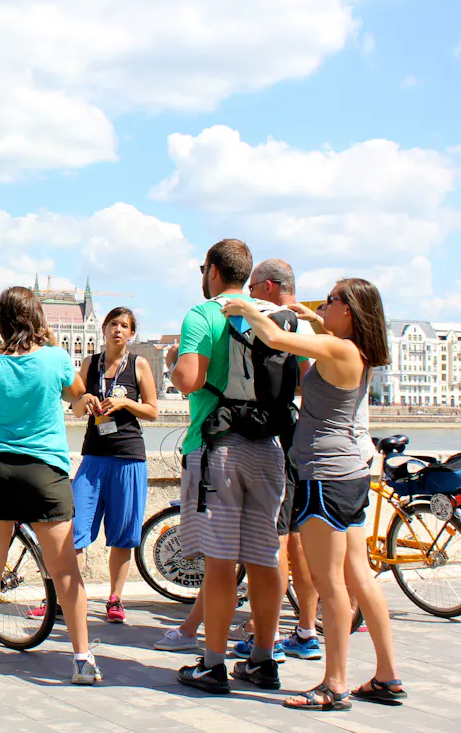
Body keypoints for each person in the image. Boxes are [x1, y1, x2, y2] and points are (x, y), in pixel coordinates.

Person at [224, 278, 404, 710]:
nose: (324, 304)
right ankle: (387, 675)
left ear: (350, 310)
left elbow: (274, 338)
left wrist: (246, 308)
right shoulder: (356, 350)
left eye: (331, 300)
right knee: (359, 576)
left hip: (325, 477)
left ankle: (334, 684)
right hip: (350, 475)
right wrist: (313, 318)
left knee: (330, 584)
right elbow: (322, 339)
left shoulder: (339, 350)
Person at [0, 286, 99, 685]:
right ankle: (82, 660)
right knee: (65, 569)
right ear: (38, 318)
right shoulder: (56, 359)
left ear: (1, 322)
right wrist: (53, 346)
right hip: (46, 472)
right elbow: (78, 398)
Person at [170, 239, 288, 695]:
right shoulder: (273, 314)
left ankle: (213, 664)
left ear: (214, 271)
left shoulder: (203, 315)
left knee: (220, 563)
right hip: (267, 446)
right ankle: (263, 660)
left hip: (217, 444)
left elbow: (189, 378)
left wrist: (175, 366)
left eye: (204, 268)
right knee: (263, 558)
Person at [232, 259, 322, 662]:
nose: (250, 294)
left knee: (276, 539)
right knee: (298, 540)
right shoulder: (309, 325)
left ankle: (261, 632)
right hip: (304, 439)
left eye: (252, 287)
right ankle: (305, 629)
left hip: (278, 437)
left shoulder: (278, 322)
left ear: (268, 286)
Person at [69, 306, 158, 623]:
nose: (117, 330)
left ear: (131, 333)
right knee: (74, 529)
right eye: (112, 324)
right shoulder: (90, 363)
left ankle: (115, 599)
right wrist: (85, 400)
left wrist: (125, 402)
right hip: (93, 457)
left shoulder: (139, 364)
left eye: (124, 326)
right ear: (103, 329)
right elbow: (76, 409)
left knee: (122, 533)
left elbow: (152, 411)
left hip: (128, 456)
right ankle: (67, 599)